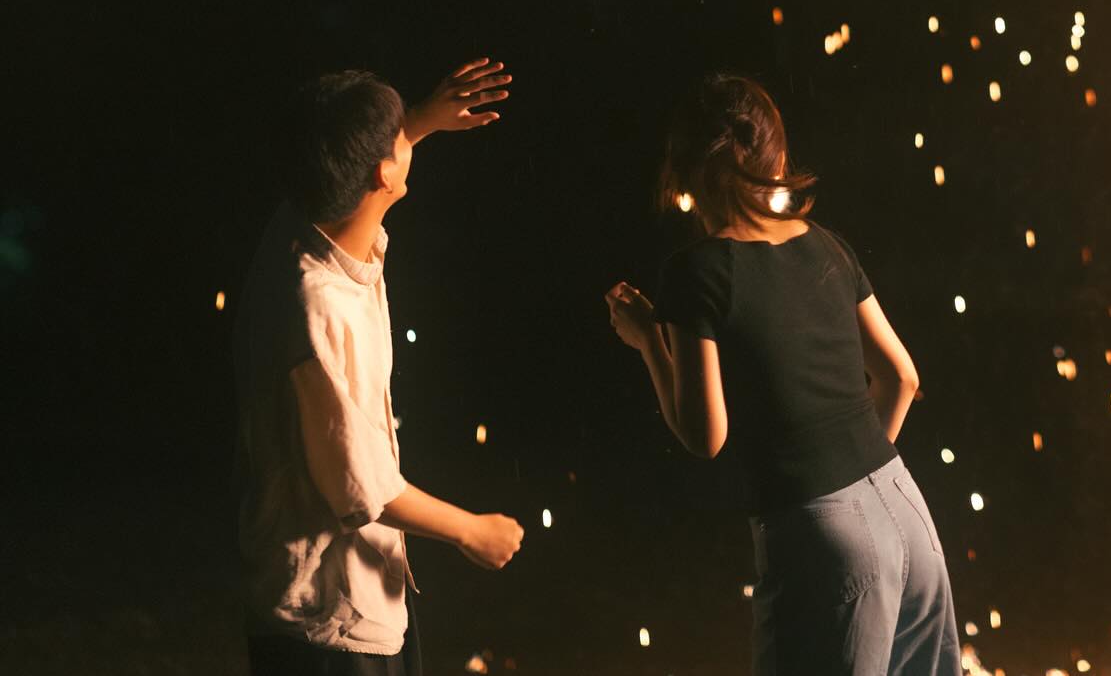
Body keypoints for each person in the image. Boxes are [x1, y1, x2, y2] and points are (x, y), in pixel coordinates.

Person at [606, 74, 960, 675]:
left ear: (684, 169)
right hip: (906, 509)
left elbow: (704, 434)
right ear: (776, 155)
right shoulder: (827, 245)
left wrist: (647, 340)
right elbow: (900, 376)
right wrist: (859, 477)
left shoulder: (698, 272)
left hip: (822, 535)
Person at [236, 59, 525, 676]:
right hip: (326, 623)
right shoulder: (315, 309)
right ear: (382, 173)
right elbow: (359, 486)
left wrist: (417, 123)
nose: (408, 135)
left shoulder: (301, 221)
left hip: (361, 592)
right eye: (398, 136)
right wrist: (473, 531)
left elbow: (356, 166)